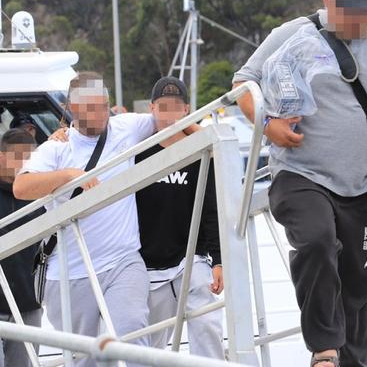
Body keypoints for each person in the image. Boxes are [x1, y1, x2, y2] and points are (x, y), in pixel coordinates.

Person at [233, 0, 367, 367]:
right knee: (318, 241)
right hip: (300, 174)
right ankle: (324, 351)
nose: (357, 21)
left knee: (360, 282)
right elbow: (243, 84)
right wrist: (267, 124)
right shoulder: (290, 35)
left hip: (364, 182)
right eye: (348, 12)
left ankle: (351, 362)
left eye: (364, 13)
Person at [13, 72, 158, 367]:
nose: (100, 114)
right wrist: (69, 176)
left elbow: (168, 119)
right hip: (70, 272)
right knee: (85, 359)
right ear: (72, 108)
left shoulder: (125, 128)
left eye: (104, 105)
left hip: (123, 260)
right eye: (91, 107)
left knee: (132, 335)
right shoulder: (57, 148)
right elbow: (21, 186)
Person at [135, 76, 225, 358]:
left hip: (191, 259)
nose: (169, 113)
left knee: (208, 324)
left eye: (175, 107)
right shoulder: (138, 153)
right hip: (148, 266)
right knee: (152, 345)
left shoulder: (201, 153)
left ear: (186, 110)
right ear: (152, 108)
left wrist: (219, 260)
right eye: (162, 106)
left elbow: (212, 210)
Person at [0, 129, 42, 366]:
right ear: (1, 157)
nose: (24, 163)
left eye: (30, 157)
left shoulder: (41, 192)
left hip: (28, 305)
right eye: (18, 156)